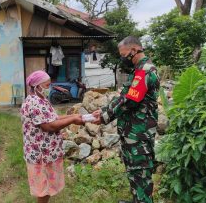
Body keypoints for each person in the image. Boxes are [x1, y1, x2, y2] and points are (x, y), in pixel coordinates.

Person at [92, 36, 160, 203]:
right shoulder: (137, 70)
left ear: (134, 50)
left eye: (123, 55)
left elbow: (130, 101)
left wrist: (105, 116)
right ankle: (137, 200)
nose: (122, 59)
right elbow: (124, 96)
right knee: (134, 173)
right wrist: (103, 110)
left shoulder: (145, 70)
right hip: (133, 133)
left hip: (139, 135)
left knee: (140, 173)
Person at [20, 70, 84, 203]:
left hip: (47, 153)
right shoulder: (34, 103)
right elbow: (49, 126)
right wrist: (72, 120)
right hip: (40, 155)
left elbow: (53, 118)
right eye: (47, 85)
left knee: (47, 188)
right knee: (43, 189)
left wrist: (74, 116)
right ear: (37, 86)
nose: (50, 88)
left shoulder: (41, 100)